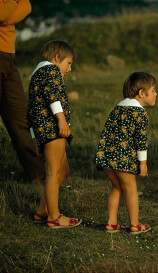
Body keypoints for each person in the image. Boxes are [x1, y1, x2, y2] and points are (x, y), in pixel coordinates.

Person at [26, 40, 81, 228]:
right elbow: (54, 97)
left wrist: (38, 139)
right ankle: (54, 217)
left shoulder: (37, 73)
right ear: (57, 58)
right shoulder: (51, 71)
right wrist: (62, 120)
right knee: (53, 173)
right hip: (53, 129)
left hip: (44, 131)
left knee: (62, 171)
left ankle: (42, 211)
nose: (70, 69)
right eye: (69, 63)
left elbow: (32, 109)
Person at [95, 72, 156, 234]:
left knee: (117, 187)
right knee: (130, 189)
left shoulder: (117, 108)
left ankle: (111, 222)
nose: (156, 94)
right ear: (142, 94)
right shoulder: (139, 113)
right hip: (123, 159)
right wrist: (142, 163)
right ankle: (134, 224)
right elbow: (141, 141)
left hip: (106, 156)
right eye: (153, 90)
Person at [0, 0, 46, 183]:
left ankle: (38, 175)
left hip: (8, 56)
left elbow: (26, 6)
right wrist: (12, 3)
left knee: (20, 118)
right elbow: (3, 14)